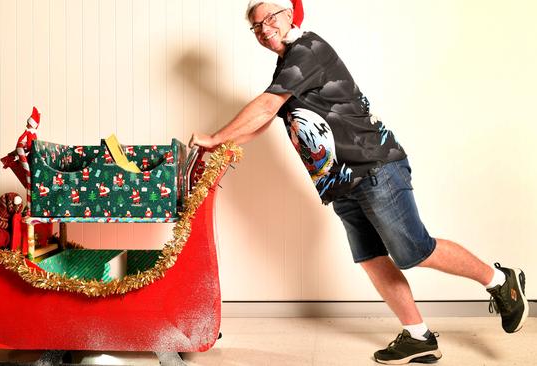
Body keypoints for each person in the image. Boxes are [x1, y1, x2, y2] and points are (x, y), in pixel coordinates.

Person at [188, 0, 529, 364]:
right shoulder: (287, 64)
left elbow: (266, 107)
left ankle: (500, 280)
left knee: (414, 250)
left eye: (270, 17)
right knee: (370, 257)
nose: (264, 28)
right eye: (256, 26)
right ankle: (419, 336)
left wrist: (214, 137)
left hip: (374, 167)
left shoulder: (309, 48)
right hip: (342, 182)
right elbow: (263, 122)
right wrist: (222, 148)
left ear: (290, 13)